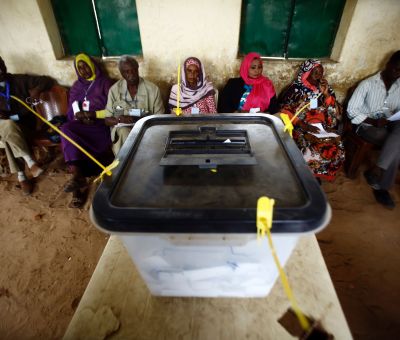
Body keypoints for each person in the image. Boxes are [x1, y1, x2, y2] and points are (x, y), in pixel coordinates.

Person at [347, 50, 400, 209]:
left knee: (396, 139)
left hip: (390, 126)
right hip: (368, 126)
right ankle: (381, 187)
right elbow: (352, 110)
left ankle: (378, 169)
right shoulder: (368, 84)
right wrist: (373, 120)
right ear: (388, 63)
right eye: (396, 69)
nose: (398, 74)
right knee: (396, 146)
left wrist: (393, 118)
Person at [60, 53, 114, 208]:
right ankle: (77, 177)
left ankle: (77, 179)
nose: (83, 70)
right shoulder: (77, 86)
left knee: (70, 137)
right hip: (81, 124)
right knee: (66, 130)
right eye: (80, 68)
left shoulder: (105, 83)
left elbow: (113, 109)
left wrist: (94, 115)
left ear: (92, 65)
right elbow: (72, 108)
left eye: (85, 66)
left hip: (100, 125)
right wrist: (79, 116)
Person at [279, 59, 345, 181]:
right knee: (308, 147)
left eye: (321, 73)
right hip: (301, 126)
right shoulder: (294, 90)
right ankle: (305, 175)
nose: (319, 76)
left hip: (322, 126)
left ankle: (318, 173)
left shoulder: (326, 89)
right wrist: (302, 124)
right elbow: (284, 110)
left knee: (336, 146)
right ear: (306, 73)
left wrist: (326, 95)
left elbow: (335, 111)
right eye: (316, 73)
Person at [0, 56, 54, 195]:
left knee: (9, 132)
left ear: (4, 66)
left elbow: (45, 80)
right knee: (8, 127)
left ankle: (21, 176)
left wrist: (36, 91)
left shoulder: (19, 81)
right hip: (4, 128)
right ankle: (30, 162)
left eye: (0, 66)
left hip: (25, 127)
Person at [104, 55, 164, 155]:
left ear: (137, 69)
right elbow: (107, 120)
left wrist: (143, 121)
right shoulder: (114, 90)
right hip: (123, 130)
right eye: (126, 72)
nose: (131, 74)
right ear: (121, 73)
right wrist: (119, 120)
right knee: (124, 132)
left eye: (133, 70)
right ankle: (126, 164)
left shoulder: (152, 89)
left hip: (146, 129)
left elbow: (160, 118)